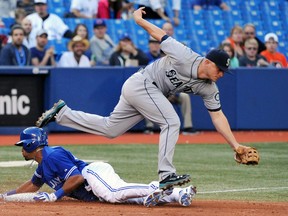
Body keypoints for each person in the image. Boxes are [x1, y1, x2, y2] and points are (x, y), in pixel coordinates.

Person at [36, 7, 250, 191]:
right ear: (207, 62)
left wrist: (235, 146)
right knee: (172, 121)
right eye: (220, 69)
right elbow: (160, 35)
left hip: (148, 92)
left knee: (111, 129)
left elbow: (218, 116)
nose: (221, 74)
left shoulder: (209, 88)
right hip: (142, 83)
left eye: (224, 71)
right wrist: (138, 20)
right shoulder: (185, 55)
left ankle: (63, 114)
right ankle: (166, 175)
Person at [0, 127, 196, 207]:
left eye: (22, 145)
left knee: (114, 193)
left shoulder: (52, 155)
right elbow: (32, 186)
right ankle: (179, 193)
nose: (21, 150)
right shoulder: (44, 164)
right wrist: (5, 196)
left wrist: (55, 196)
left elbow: (77, 178)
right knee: (136, 200)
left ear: (31, 145)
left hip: (92, 174)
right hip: (93, 190)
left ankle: (160, 185)